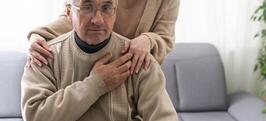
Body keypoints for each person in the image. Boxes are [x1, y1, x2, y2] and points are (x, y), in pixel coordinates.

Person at [18, 0, 188, 121]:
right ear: (68, 11)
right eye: (87, 7)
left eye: (107, 8)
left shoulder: (140, 59)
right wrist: (95, 84)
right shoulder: (44, 56)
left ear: (115, 12)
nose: (98, 19)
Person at [27, 0, 180, 74]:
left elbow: (165, 38)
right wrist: (38, 36)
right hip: (93, 69)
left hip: (135, 75)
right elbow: (73, 17)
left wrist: (148, 39)